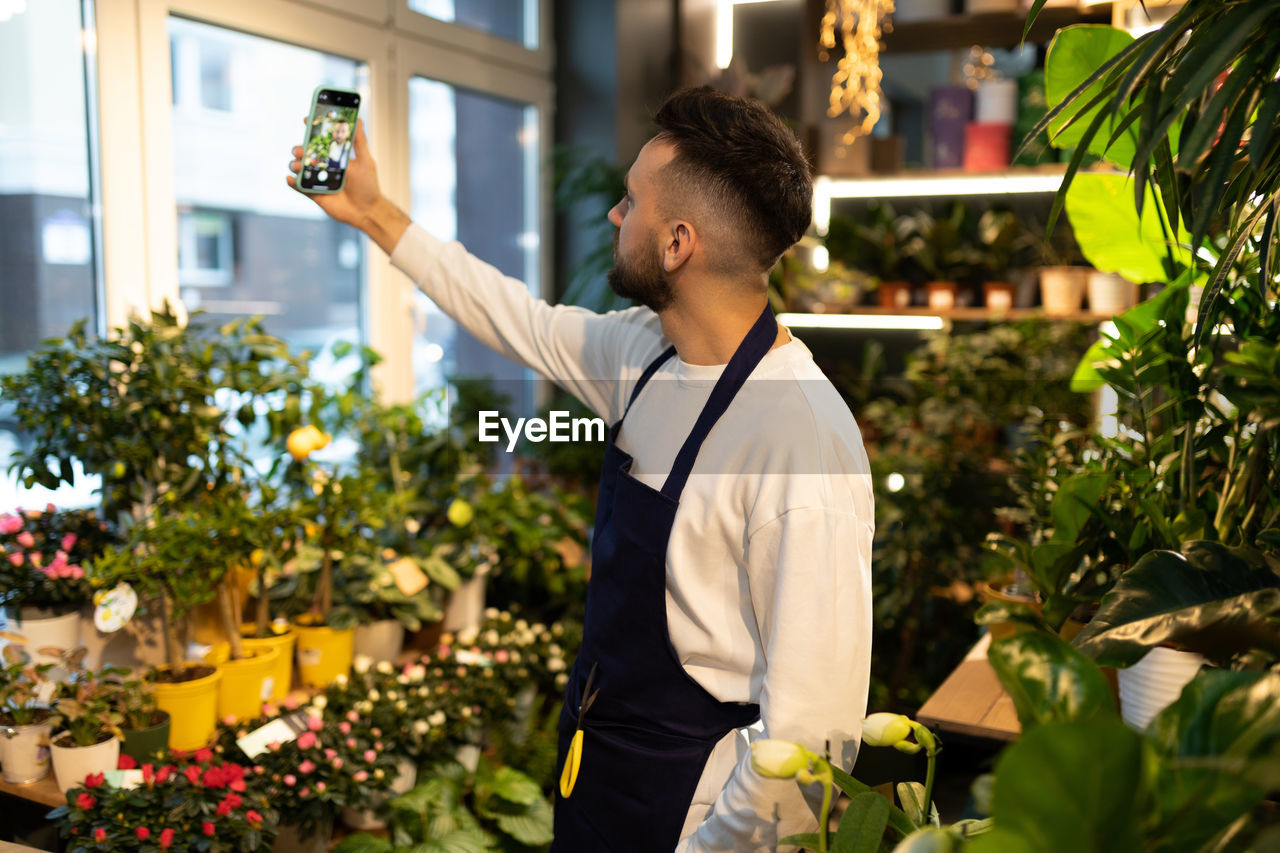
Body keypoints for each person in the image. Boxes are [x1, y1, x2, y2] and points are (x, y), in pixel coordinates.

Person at [287, 86, 873, 853]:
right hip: (598, 770)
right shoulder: (646, 352)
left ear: (677, 244)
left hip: (695, 819)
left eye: (631, 202)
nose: (613, 217)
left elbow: (812, 743)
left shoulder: (801, 442)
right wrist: (371, 211)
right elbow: (517, 318)